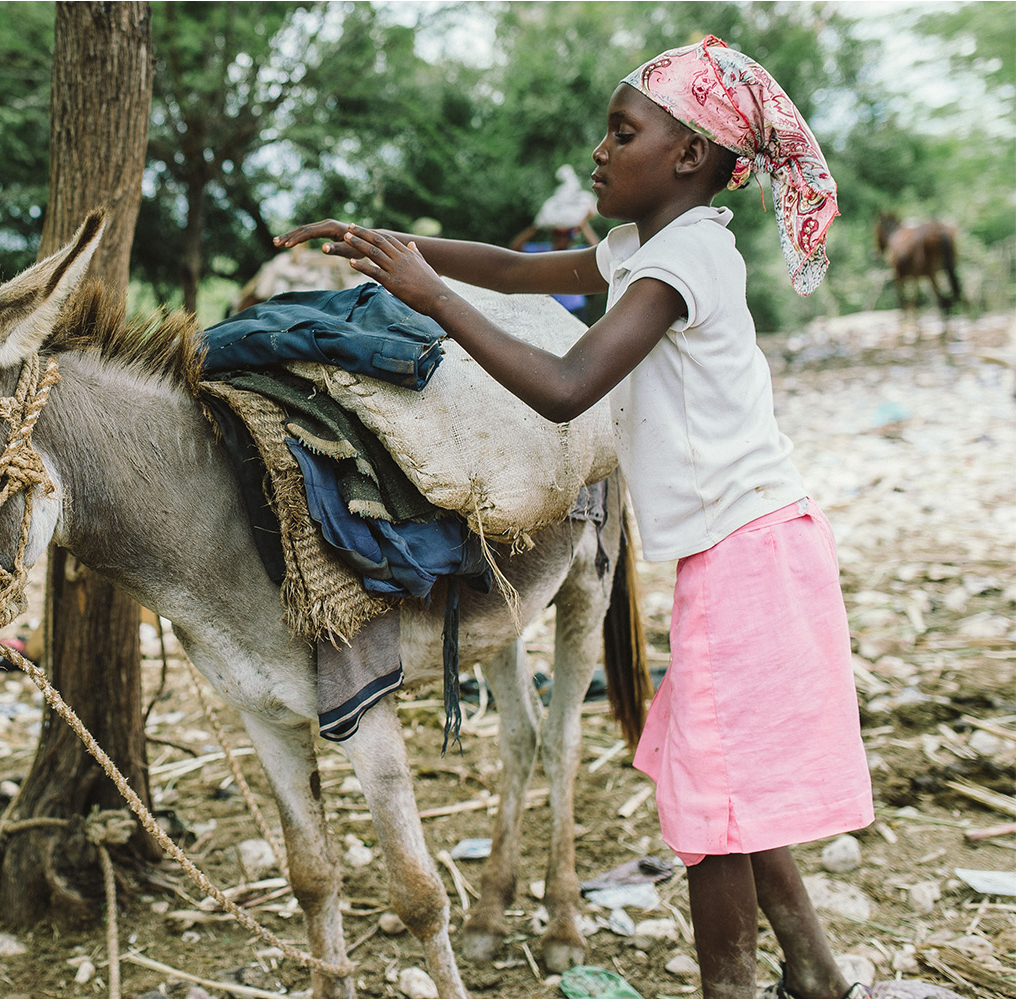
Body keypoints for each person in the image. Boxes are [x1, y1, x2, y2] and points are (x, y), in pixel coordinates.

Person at [276, 36, 878, 1000]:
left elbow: (566, 387)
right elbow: (513, 273)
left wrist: (431, 300)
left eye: (621, 131)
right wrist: (391, 249)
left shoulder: (687, 260)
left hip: (748, 555)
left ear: (688, 156)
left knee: (713, 806)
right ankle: (811, 969)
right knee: (725, 781)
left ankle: (729, 987)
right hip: (740, 551)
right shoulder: (645, 246)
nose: (599, 151)